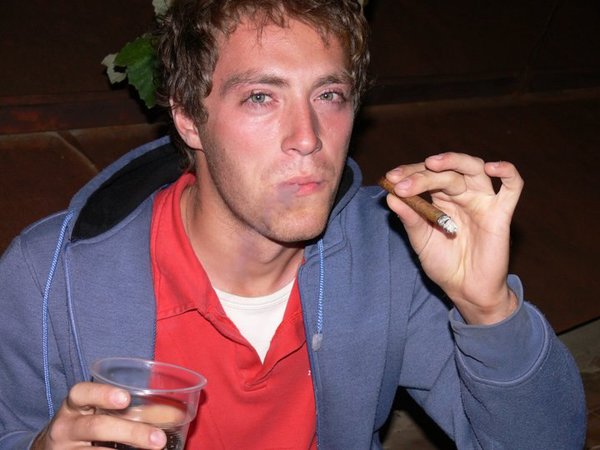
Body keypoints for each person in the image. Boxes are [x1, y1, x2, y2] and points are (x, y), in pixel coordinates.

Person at [0, 0, 586, 448]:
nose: (307, 137)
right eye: (261, 96)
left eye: (329, 95)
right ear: (188, 117)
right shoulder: (48, 276)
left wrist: (489, 310)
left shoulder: (392, 255)